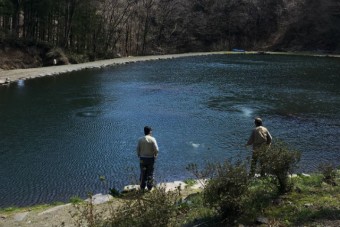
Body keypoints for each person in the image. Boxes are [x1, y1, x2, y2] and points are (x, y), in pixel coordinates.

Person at [136, 126, 159, 191]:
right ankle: (149, 188)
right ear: (150, 131)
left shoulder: (140, 139)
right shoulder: (153, 139)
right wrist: (155, 155)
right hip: (151, 159)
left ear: (144, 131)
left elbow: (137, 149)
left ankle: (142, 187)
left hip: (142, 159)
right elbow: (157, 149)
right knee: (150, 173)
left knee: (143, 173)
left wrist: (139, 155)